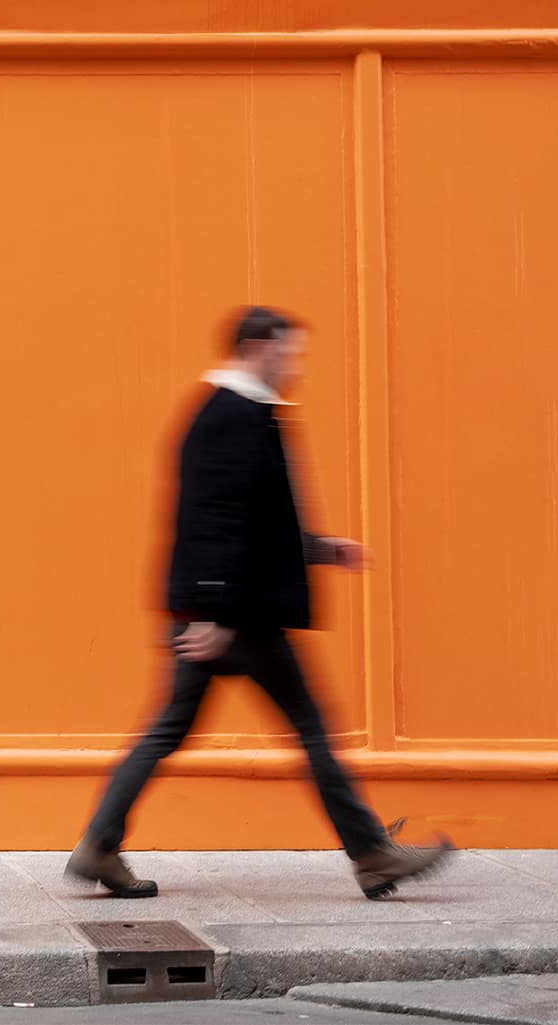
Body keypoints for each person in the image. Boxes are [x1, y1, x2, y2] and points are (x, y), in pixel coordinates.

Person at [66, 305, 452, 901]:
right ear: (255, 348)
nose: (294, 365)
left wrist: (320, 548)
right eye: (286, 352)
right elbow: (212, 519)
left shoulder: (237, 412)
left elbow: (258, 517)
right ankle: (372, 854)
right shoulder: (233, 414)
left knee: (169, 730)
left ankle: (98, 845)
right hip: (235, 616)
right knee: (309, 727)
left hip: (224, 609)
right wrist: (212, 613)